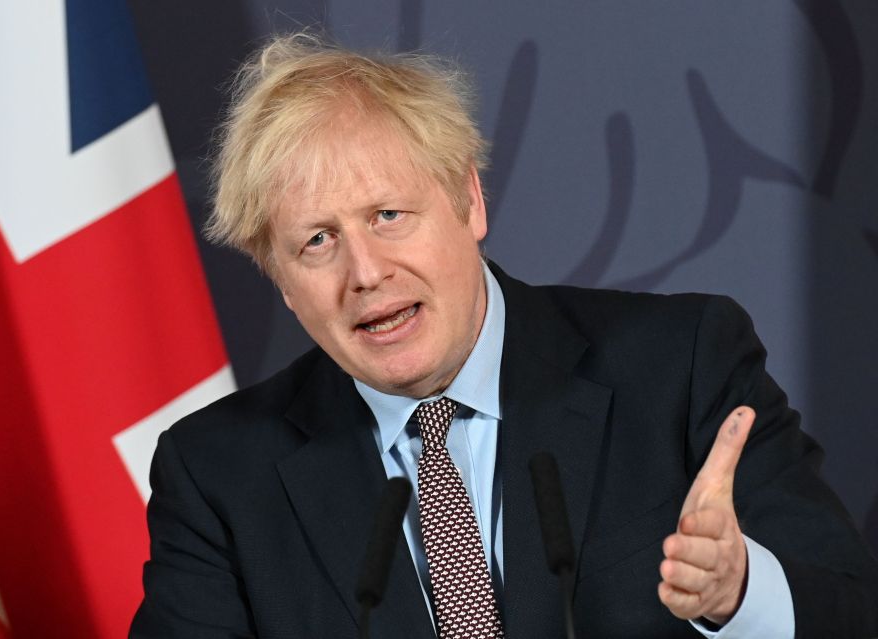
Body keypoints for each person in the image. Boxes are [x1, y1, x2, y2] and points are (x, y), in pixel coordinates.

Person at [130, 32, 878, 638]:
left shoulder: (680, 365)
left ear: (469, 200)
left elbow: (849, 611)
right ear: (280, 281)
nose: (364, 272)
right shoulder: (219, 473)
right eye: (316, 242)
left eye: (388, 215)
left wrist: (737, 590)